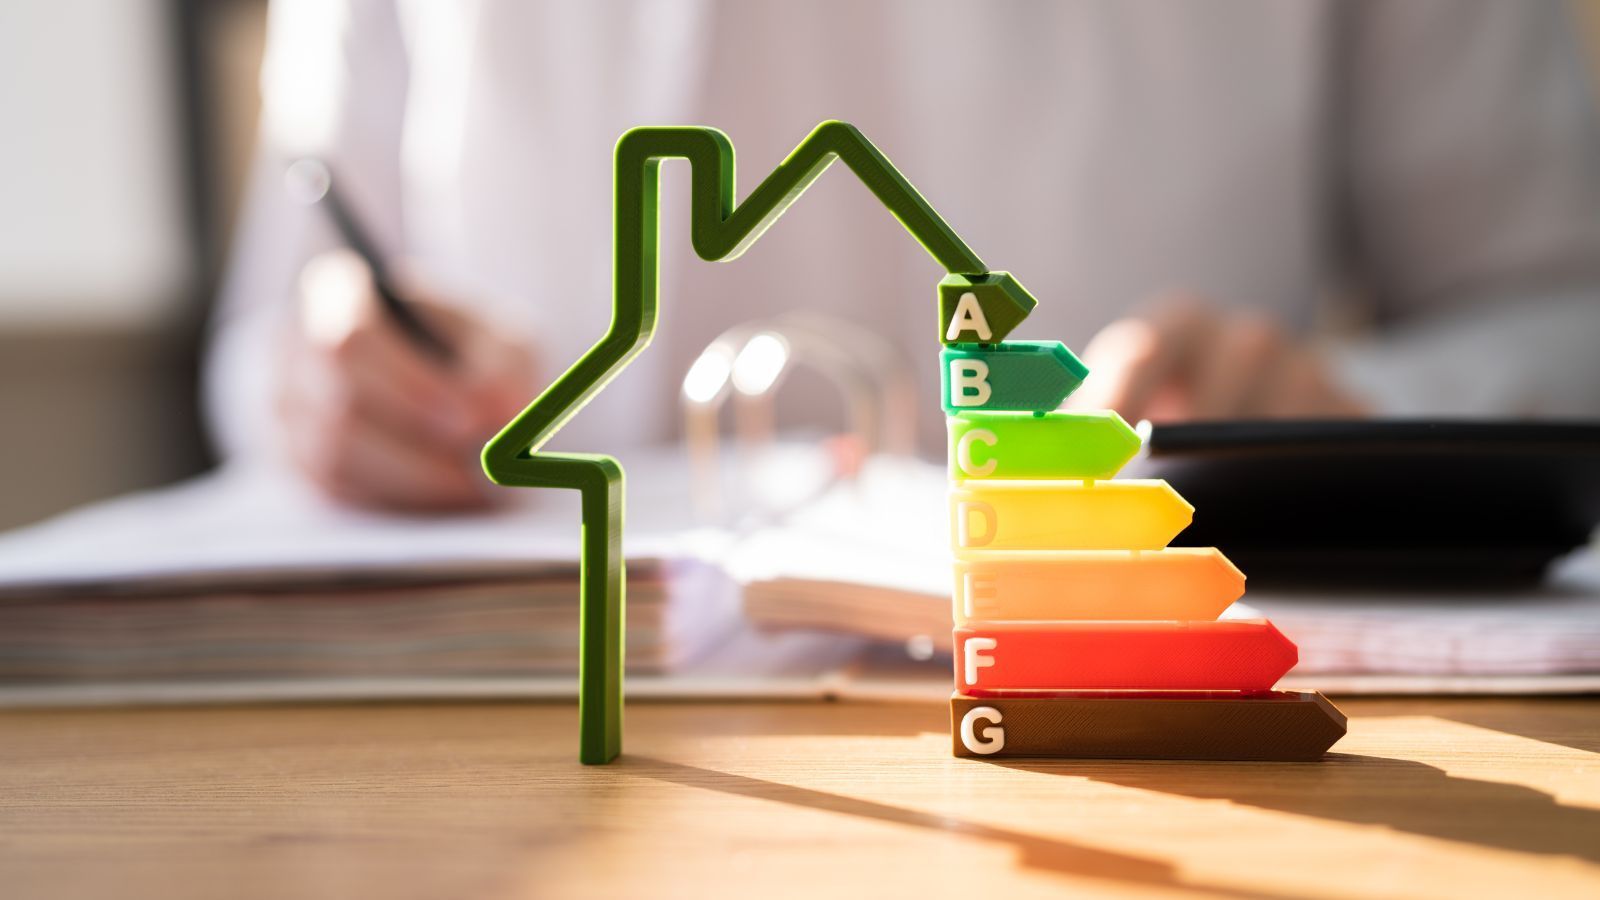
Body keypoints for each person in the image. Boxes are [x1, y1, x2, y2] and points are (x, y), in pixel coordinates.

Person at [208, 0, 1600, 512]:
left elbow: (1563, 299)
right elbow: (277, 328)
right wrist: (330, 382)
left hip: (1142, 699)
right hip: (505, 743)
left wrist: (1341, 408)